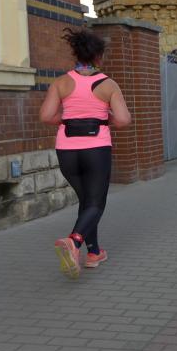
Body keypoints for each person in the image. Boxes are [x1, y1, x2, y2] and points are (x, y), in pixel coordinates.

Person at [39, 28, 132, 280]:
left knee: (86, 201)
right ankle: (74, 241)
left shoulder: (61, 82)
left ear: (76, 53)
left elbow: (46, 116)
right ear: (99, 56)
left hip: (67, 150)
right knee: (96, 203)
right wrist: (104, 118)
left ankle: (94, 253)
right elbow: (124, 120)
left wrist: (68, 120)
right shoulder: (108, 84)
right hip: (96, 149)